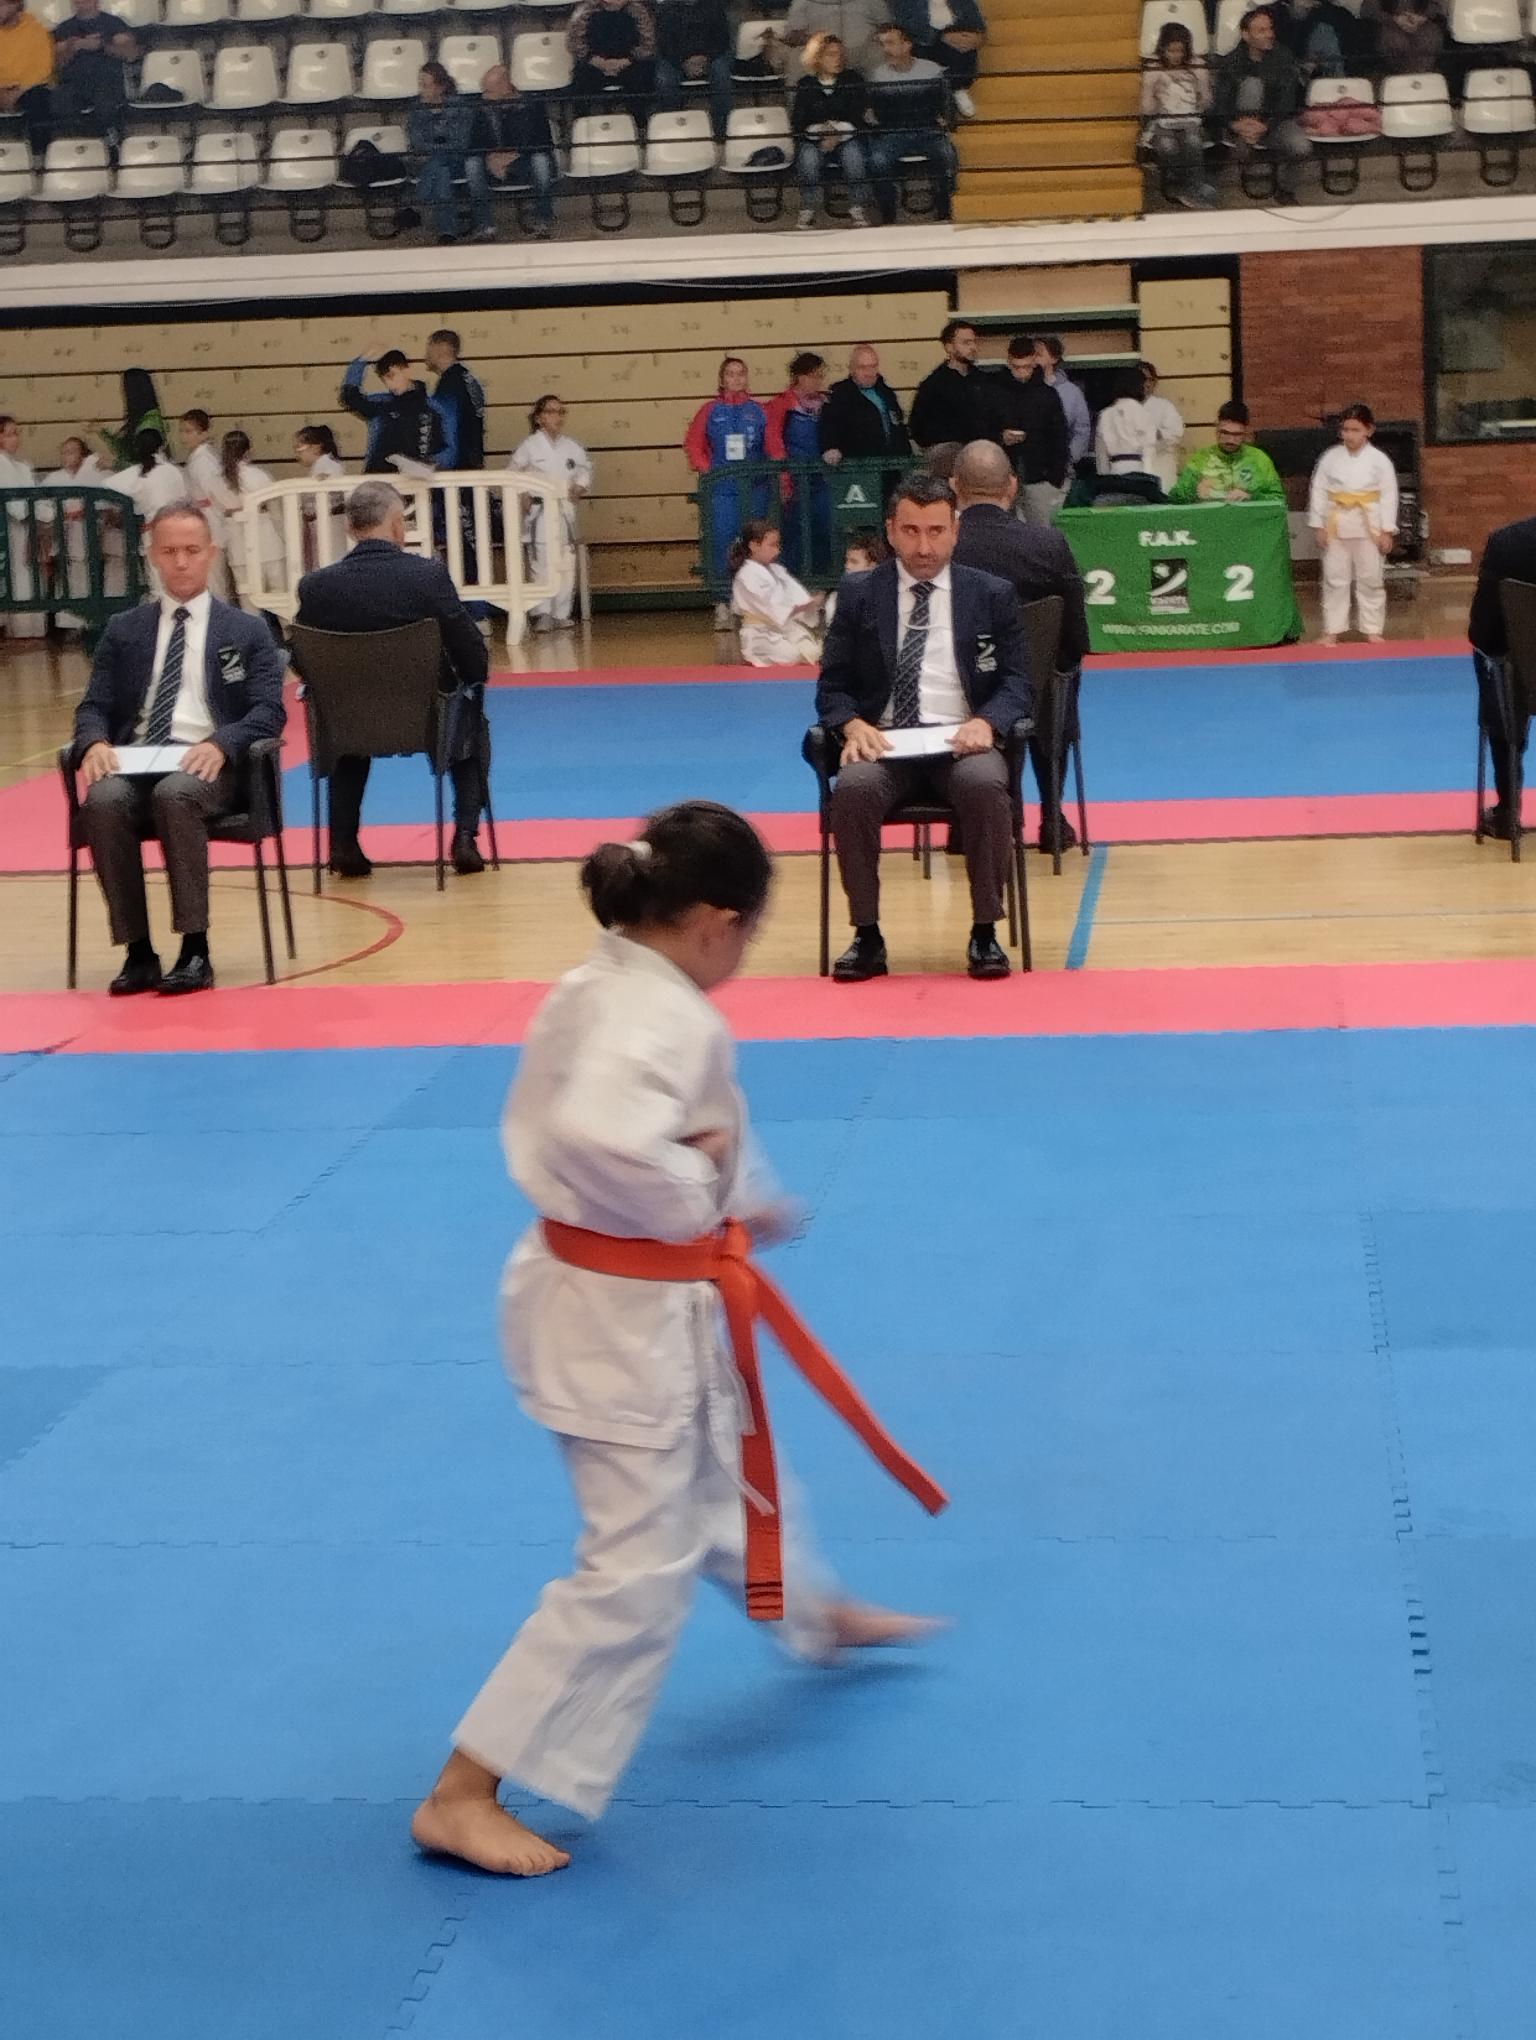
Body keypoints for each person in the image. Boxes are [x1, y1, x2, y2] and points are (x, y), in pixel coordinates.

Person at [409, 799, 938, 1877]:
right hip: (616, 1322)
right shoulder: (671, 1016)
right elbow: (601, 1134)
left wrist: (740, 1198)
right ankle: (464, 1792)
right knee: (636, 1568)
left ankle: (813, 1612)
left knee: (723, 1477)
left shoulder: (602, 981)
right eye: (749, 932)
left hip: (609, 1297)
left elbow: (673, 1129)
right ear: (715, 922)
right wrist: (699, 1187)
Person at [815, 469, 1032, 982]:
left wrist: (988, 721)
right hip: (886, 742)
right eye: (911, 531)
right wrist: (851, 724)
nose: (924, 546)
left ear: (955, 530)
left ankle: (985, 930)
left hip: (961, 740)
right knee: (853, 790)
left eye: (936, 531)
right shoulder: (859, 593)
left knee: (985, 786)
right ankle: (866, 934)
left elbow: (1019, 682)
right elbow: (832, 686)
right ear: (891, 531)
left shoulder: (991, 593)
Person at [69, 504, 286, 996]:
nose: (181, 561)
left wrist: (222, 742)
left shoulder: (247, 630)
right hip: (138, 758)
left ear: (211, 553)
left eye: (191, 550)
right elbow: (94, 705)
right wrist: (94, 742)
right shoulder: (124, 629)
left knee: (176, 793)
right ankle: (138, 950)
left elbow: (268, 712)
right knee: (102, 800)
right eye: (170, 551)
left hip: (210, 765)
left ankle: (195, 948)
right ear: (153, 556)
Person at [292, 480, 492, 877]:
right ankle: (465, 837)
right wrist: (473, 678)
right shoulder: (428, 577)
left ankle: (343, 842)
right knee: (470, 718)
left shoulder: (316, 587)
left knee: (342, 720)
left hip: (348, 722)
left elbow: (301, 657)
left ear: (350, 528)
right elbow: (470, 651)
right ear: (398, 524)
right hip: (427, 719)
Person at [951, 437, 1089, 853]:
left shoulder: (942, 549)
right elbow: (1077, 638)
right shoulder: (1048, 544)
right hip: (1039, 692)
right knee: (1059, 678)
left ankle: (966, 821)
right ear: (1011, 486)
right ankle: (1052, 816)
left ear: (955, 487)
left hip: (964, 693)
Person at [684, 355, 771, 628]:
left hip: (754, 489)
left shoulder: (759, 411)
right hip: (722, 490)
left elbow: (773, 446)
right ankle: (722, 603)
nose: (736, 378)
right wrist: (707, 469)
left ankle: (752, 604)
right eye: (731, 374)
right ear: (722, 379)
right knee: (721, 543)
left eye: (741, 373)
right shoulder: (709, 410)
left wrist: (778, 476)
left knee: (755, 545)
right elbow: (693, 444)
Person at [1467, 512, 1536, 840]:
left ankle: (1508, 812)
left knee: (1495, 666)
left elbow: (1482, 630)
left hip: (1521, 678)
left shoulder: (1507, 543)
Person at [1307, 402, 1397, 646]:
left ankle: (1372, 629)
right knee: (1334, 579)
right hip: (1336, 523)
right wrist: (1318, 526)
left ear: (1369, 430)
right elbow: (1319, 490)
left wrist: (1387, 530)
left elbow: (1389, 496)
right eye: (1345, 430)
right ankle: (1332, 630)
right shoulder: (1330, 458)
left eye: (1355, 430)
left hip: (1369, 526)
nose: (1349, 435)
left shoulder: (1379, 460)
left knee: (1371, 579)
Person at [508, 394, 592, 633]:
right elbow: (513, 473)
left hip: (564, 510)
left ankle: (561, 613)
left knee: (565, 562)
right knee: (542, 563)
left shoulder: (571, 447)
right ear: (539, 418)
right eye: (551, 412)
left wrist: (580, 486)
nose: (558, 417)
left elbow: (584, 471)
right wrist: (523, 493)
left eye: (561, 411)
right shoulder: (530, 446)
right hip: (540, 512)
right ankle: (542, 612)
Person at [1213, 7, 1311, 206]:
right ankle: (1244, 144)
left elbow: (1287, 101)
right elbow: (1220, 103)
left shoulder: (1283, 57)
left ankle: (1285, 189)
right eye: (1262, 30)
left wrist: (1265, 125)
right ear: (1246, 35)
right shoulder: (1230, 62)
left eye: (1270, 29)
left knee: (1302, 146)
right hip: (1238, 125)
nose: (1270, 34)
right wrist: (1234, 125)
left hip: (1275, 122)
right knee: (1252, 85)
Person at [866, 21, 956, 225]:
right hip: (894, 133)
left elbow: (946, 103)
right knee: (877, 161)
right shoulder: (878, 75)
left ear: (907, 45)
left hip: (928, 131)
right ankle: (888, 215)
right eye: (882, 44)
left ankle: (945, 211)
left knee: (947, 155)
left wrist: (946, 119)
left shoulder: (931, 70)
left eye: (890, 43)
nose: (885, 49)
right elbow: (875, 113)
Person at [982, 332, 1071, 527]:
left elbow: (1059, 436)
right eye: (1017, 367)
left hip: (1039, 474)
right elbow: (981, 429)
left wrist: (1055, 476)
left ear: (1034, 362)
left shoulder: (1047, 395)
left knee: (1041, 528)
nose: (1022, 373)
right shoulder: (993, 392)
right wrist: (1000, 437)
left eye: (1027, 367)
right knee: (1005, 528)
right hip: (1003, 474)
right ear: (1009, 362)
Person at [790, 33, 873, 230]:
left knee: (854, 158)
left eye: (840, 54)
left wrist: (837, 132)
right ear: (817, 57)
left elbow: (858, 115)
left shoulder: (853, 79)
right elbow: (799, 121)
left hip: (848, 136)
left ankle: (857, 207)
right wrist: (821, 132)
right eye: (831, 54)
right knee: (808, 160)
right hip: (815, 139)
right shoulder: (806, 84)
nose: (837, 59)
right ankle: (808, 208)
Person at [409, 62, 494, 247]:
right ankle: (446, 230)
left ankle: (423, 209)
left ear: (441, 87)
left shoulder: (460, 107)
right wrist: (441, 146)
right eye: (420, 84)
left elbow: (461, 142)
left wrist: (436, 147)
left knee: (440, 164)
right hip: (432, 161)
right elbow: (417, 143)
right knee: (441, 170)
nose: (421, 90)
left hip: (457, 160)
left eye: (426, 85)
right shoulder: (416, 109)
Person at [764, 350, 832, 579]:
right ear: (799, 377)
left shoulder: (826, 404)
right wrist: (784, 479)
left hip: (822, 481)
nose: (818, 381)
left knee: (823, 530)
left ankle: (822, 582)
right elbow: (773, 442)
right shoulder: (781, 405)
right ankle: (791, 584)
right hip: (794, 483)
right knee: (794, 534)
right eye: (813, 376)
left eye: (820, 376)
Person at [340, 342, 450, 475]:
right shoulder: (382, 403)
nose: (389, 384)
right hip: (380, 478)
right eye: (384, 380)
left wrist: (432, 465)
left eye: (392, 376)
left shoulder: (432, 408)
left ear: (407, 371)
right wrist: (361, 362)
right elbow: (350, 398)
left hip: (418, 481)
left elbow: (447, 447)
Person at [1140, 21, 1216, 210]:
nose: (1176, 56)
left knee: (1193, 141)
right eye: (1171, 51)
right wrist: (1150, 86)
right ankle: (1191, 183)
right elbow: (1147, 110)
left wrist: (1202, 82)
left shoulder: (1196, 66)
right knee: (1168, 146)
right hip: (1162, 123)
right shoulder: (1153, 68)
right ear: (1163, 49)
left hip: (1190, 121)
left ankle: (1191, 189)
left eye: (1180, 51)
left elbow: (1206, 105)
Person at [475, 64, 557, 239]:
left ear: (504, 86)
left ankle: (543, 220)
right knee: (472, 163)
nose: (484, 95)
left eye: (489, 91)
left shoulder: (532, 106)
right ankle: (484, 225)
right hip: (493, 161)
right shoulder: (482, 109)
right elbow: (474, 142)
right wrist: (490, 157)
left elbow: (543, 141)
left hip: (524, 160)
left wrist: (512, 156)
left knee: (541, 161)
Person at [205, 428, 282, 607]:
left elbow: (217, 511)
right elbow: (276, 512)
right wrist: (285, 537)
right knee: (280, 599)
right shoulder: (259, 476)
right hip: (269, 544)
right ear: (248, 451)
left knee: (248, 604)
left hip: (238, 547)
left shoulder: (215, 481)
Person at [729, 519, 823, 665]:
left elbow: (795, 596)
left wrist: (808, 603)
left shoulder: (777, 570)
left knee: (812, 651)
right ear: (754, 546)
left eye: (778, 545)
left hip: (782, 628)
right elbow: (771, 608)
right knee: (794, 656)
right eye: (772, 545)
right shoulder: (747, 575)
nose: (777, 550)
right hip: (759, 635)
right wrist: (801, 607)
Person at [50, 0, 135, 142]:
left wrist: (102, 45)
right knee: (59, 103)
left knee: (106, 107)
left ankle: (110, 143)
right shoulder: (64, 28)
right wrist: (73, 47)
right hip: (72, 84)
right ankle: (77, 143)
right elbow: (57, 65)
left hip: (106, 82)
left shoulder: (114, 24)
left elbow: (130, 54)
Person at [1169, 399, 1284, 503]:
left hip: (1248, 519)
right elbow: (1175, 497)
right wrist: (1195, 490)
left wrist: (1250, 497)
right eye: (1225, 433)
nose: (1230, 440)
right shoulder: (1201, 459)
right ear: (1217, 430)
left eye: (1237, 434)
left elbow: (1278, 499)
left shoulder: (1259, 460)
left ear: (1246, 433)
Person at [818, 343, 913, 469]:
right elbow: (828, 425)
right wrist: (830, 448)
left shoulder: (886, 393)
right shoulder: (839, 394)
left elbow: (898, 427)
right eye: (862, 367)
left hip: (891, 466)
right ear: (851, 369)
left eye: (873, 366)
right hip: (857, 469)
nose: (869, 373)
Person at [654, 0, 732, 139]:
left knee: (722, 75)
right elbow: (664, 43)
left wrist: (706, 58)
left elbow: (722, 39)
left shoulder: (714, 7)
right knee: (663, 79)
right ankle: (672, 124)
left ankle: (721, 128)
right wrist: (683, 61)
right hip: (676, 58)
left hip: (710, 56)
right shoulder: (666, 10)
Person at [896, 0, 986, 119]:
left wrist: (971, 35)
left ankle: (958, 89)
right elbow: (906, 24)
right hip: (922, 43)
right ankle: (938, 103)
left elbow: (977, 22)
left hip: (954, 37)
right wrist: (941, 36)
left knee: (965, 44)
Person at [0, 412, 46, 642]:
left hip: (27, 526)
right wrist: (34, 515)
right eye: (9, 434)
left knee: (28, 572)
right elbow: (16, 506)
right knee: (17, 575)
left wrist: (43, 517)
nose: (15, 439)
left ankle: (32, 628)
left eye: (16, 433)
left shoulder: (22, 466)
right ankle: (21, 628)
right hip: (11, 528)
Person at [910, 319, 987, 451]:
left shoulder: (983, 380)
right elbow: (918, 428)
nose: (973, 347)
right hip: (948, 455)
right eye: (966, 343)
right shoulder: (933, 385)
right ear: (949, 347)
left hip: (980, 453)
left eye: (974, 342)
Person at [567, 0, 656, 107]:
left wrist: (627, 60)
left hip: (629, 62)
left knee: (643, 78)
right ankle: (585, 116)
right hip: (594, 62)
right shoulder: (584, 12)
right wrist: (595, 61)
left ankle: (639, 115)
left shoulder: (638, 11)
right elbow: (575, 43)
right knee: (581, 80)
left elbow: (647, 43)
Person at [782, 0, 889, 77]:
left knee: (881, 53)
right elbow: (792, 35)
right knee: (798, 58)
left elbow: (886, 26)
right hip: (821, 53)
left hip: (864, 52)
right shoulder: (802, 2)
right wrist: (815, 41)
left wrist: (877, 37)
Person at [0, 0, 53, 154]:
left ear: (16, 5)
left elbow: (43, 68)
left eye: (1, 5)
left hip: (27, 88)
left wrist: (16, 93)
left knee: (40, 102)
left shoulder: (36, 30)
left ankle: (39, 156)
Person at [293, 423, 348, 571]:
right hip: (319, 523)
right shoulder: (320, 466)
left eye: (300, 448)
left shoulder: (329, 466)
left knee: (330, 562)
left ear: (316, 448)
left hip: (330, 523)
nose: (297, 454)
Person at [1033, 337, 1091, 473]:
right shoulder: (1025, 389)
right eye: (1031, 354)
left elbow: (1081, 429)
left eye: (1039, 354)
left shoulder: (1071, 392)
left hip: (1061, 470)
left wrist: (1069, 457)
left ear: (1054, 358)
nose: (1034, 359)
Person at [1094, 367, 1160, 484]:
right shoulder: (1144, 413)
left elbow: (1101, 455)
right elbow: (1149, 450)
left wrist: (1104, 479)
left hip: (1114, 472)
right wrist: (1149, 477)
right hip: (1139, 472)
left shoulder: (1106, 415)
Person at [822, 525, 887, 628]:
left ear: (873, 565)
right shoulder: (835, 598)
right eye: (846, 561)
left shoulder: (888, 598)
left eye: (854, 562)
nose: (847, 566)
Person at [1139, 362, 1186, 494]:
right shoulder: (1123, 408)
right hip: (1134, 471)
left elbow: (1176, 434)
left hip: (1161, 469)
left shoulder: (1164, 406)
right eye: (1143, 379)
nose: (1147, 384)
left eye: (1150, 380)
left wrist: (1157, 433)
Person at [1370, 0, 1445, 75]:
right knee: (1395, 41)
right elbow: (1370, 9)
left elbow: (1436, 7)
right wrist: (1395, 19)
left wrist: (1421, 18)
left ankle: (1422, 76)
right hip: (1390, 23)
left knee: (1430, 38)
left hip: (1421, 24)